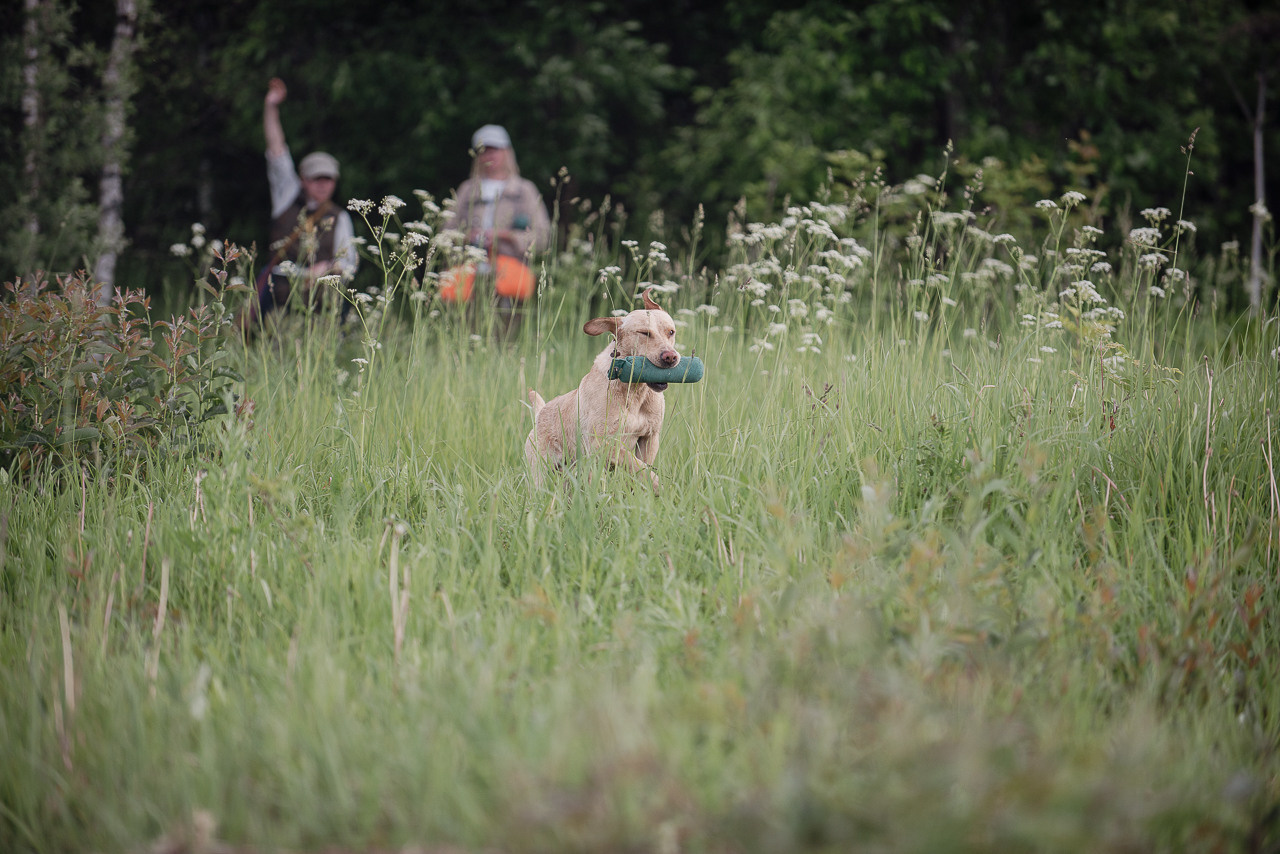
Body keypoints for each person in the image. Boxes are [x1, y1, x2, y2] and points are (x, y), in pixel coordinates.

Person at [237, 77, 358, 334]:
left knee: (343, 305)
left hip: (318, 286)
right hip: (280, 279)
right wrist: (271, 107)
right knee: (249, 320)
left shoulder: (341, 217)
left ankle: (334, 348)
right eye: (317, 179)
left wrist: (327, 269)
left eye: (328, 179)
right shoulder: (286, 196)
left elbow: (349, 263)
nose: (323, 185)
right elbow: (277, 151)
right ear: (303, 179)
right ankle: (250, 351)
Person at [439, 124, 551, 335]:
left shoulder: (524, 190)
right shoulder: (466, 190)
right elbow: (445, 235)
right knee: (465, 327)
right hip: (469, 270)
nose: (489, 155)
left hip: (510, 270)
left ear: (507, 152)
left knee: (505, 332)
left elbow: (543, 237)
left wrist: (505, 236)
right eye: (483, 150)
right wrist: (467, 238)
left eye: (495, 149)